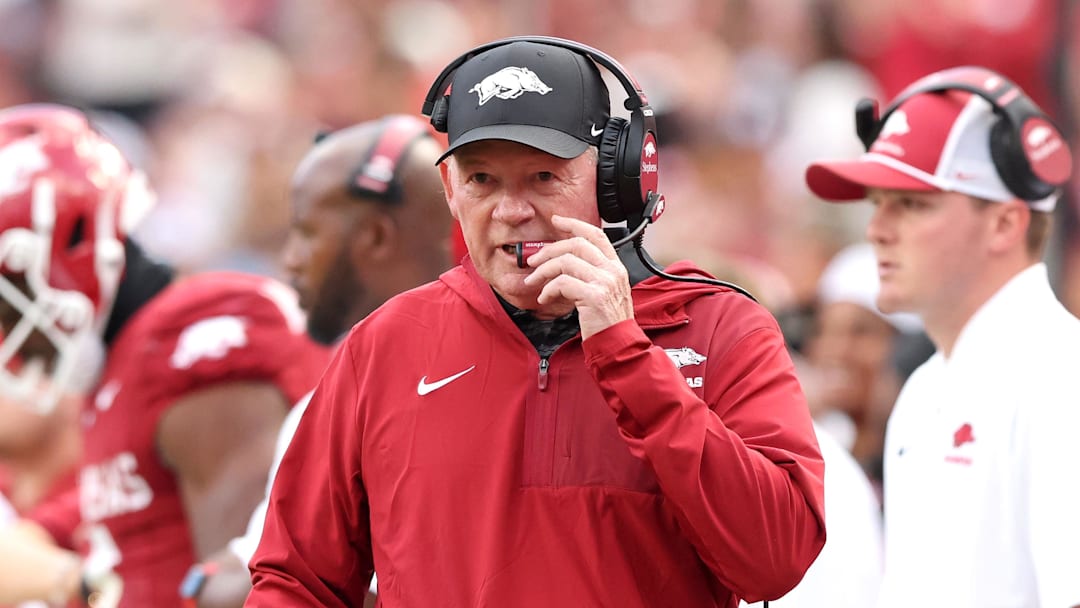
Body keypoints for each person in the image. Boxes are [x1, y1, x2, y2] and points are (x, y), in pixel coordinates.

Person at [247, 36, 825, 607]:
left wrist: (627, 356)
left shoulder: (721, 329)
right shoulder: (386, 343)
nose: (511, 211)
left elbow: (776, 561)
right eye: (482, 181)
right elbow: (296, 581)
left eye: (544, 177)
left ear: (616, 182)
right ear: (450, 192)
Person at [0, 103, 330, 607]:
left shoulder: (196, 336)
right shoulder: (125, 366)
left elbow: (252, 586)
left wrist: (79, 588)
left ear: (67, 248)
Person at [805, 66, 1080, 607]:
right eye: (878, 202)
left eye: (912, 204)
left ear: (1005, 223)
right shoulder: (926, 386)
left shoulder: (1060, 379)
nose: (877, 229)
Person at [181, 115, 452, 608]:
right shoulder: (342, 391)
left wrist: (202, 583)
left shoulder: (377, 399)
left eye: (306, 233)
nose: (290, 260)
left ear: (373, 237)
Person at [802, 242, 929, 490]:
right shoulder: (815, 451)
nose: (835, 350)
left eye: (860, 333)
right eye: (822, 330)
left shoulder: (926, 459)